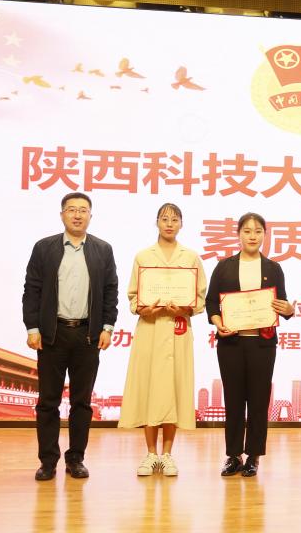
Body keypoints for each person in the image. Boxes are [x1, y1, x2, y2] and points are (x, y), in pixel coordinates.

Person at [23, 192, 119, 481]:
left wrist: (107, 327)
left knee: (82, 402)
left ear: (90, 215)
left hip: (87, 336)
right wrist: (32, 328)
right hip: (52, 335)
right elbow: (32, 289)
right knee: (48, 402)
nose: (77, 215)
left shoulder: (103, 249)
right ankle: (48, 461)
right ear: (62, 214)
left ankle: (76, 459)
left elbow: (110, 291)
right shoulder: (44, 248)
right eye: (72, 210)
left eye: (83, 210)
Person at [118, 203, 207, 477]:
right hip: (150, 328)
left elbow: (200, 297)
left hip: (178, 329)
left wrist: (186, 307)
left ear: (182, 224)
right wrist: (143, 308)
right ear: (156, 222)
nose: (169, 224)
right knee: (150, 388)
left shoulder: (191, 258)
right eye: (165, 219)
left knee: (173, 388)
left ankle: (167, 454)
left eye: (175, 219)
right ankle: (150, 454)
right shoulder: (143, 257)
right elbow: (133, 296)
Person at [206, 213, 294, 477]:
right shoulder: (224, 266)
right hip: (231, 343)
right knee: (233, 400)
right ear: (238, 235)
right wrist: (218, 322)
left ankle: (254, 455)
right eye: (247, 231)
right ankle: (233, 455)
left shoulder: (273, 268)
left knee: (258, 400)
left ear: (265, 235)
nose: (252, 236)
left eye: (257, 231)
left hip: (262, 345)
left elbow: (283, 304)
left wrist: (289, 309)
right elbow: (211, 302)